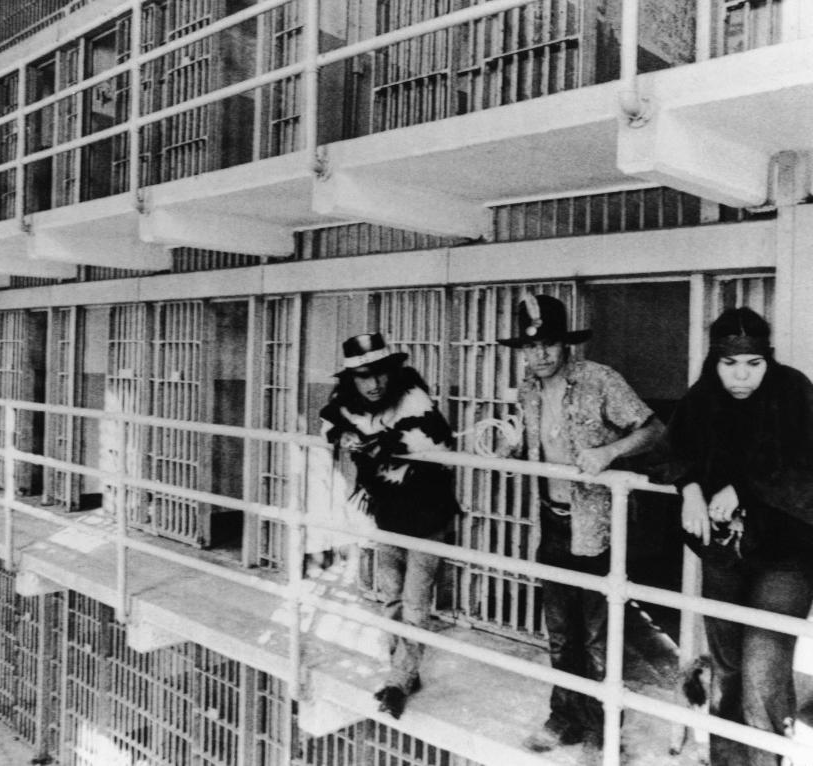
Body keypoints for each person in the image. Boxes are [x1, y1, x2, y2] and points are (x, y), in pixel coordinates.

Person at [497, 294, 664, 765]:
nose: (540, 355)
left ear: (564, 344)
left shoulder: (599, 379)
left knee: (596, 634)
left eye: (549, 344)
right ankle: (564, 716)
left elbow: (655, 430)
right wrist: (514, 451)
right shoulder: (527, 387)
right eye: (531, 348)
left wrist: (610, 453)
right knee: (559, 632)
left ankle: (603, 728)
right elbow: (538, 447)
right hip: (552, 520)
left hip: (599, 524)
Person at [658, 307, 813, 766]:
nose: (741, 376)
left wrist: (740, 486)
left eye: (753, 364)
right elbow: (671, 449)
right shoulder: (702, 397)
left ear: (768, 359)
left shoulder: (794, 390)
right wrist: (687, 487)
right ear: (715, 361)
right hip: (724, 553)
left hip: (787, 554)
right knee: (727, 670)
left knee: (764, 672)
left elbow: (803, 467)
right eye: (730, 364)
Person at [319, 332, 459, 720]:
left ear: (392, 372)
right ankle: (403, 669)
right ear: (353, 379)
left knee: (415, 603)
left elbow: (439, 446)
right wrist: (346, 435)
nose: (374, 383)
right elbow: (327, 424)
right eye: (364, 376)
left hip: (429, 514)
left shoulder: (414, 396)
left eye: (380, 373)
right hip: (388, 515)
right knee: (391, 596)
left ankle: (398, 680)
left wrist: (387, 444)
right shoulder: (347, 403)